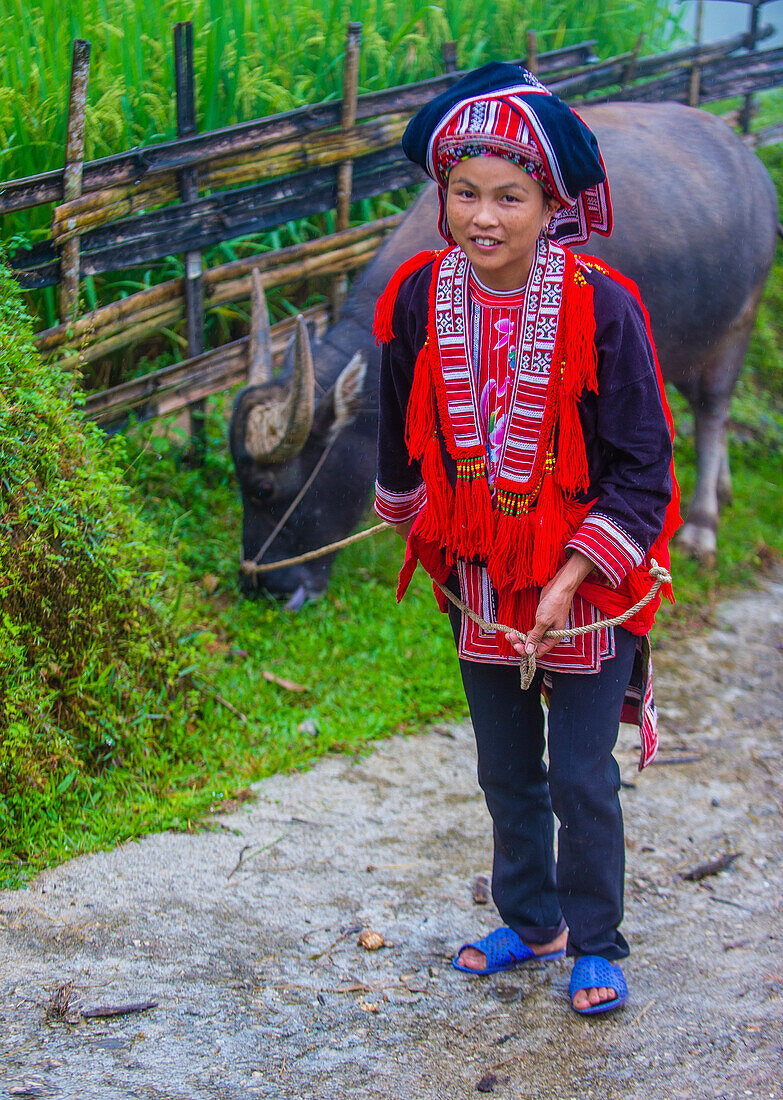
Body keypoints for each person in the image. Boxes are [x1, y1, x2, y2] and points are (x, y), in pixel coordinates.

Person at [373, 63, 681, 1015]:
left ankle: (594, 938)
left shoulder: (605, 306)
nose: (484, 217)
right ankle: (532, 917)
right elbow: (399, 423)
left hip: (585, 573)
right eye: (464, 193)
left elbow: (643, 470)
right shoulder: (423, 299)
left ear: (551, 203)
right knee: (504, 765)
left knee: (580, 772)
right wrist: (407, 509)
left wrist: (574, 574)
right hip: (479, 566)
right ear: (442, 198)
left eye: (509, 196)